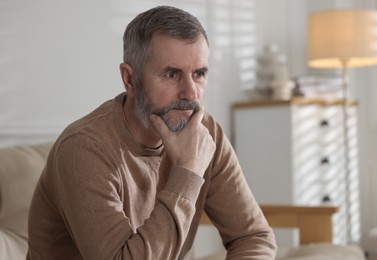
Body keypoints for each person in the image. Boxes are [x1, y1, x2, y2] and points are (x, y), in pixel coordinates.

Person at [27, 5, 276, 260]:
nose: (191, 93)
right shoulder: (84, 148)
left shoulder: (205, 134)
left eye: (199, 74)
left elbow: (253, 237)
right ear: (130, 79)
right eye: (172, 74)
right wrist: (188, 172)